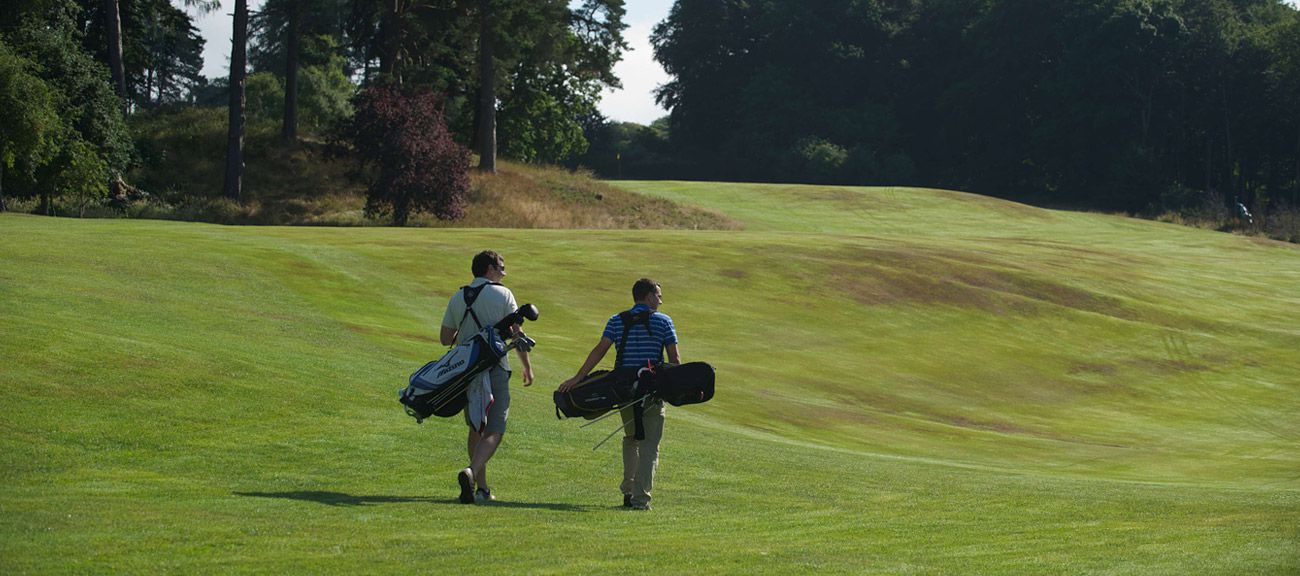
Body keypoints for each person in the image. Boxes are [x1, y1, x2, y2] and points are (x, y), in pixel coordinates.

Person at [559, 278, 679, 511]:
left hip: (624, 391)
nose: (661, 300)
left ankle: (628, 491)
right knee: (649, 445)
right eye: (658, 295)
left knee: (632, 438)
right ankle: (640, 499)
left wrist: (578, 378)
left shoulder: (616, 320)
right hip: (651, 391)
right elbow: (675, 360)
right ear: (648, 296)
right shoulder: (664, 322)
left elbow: (599, 351)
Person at [441, 250, 534, 504]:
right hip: (495, 367)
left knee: (475, 427)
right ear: (489, 269)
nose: (504, 273)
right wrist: (526, 366)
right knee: (495, 428)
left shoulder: (458, 296)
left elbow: (444, 339)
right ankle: (471, 472)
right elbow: (517, 334)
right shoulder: (503, 294)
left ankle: (480, 489)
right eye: (501, 268)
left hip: (466, 370)